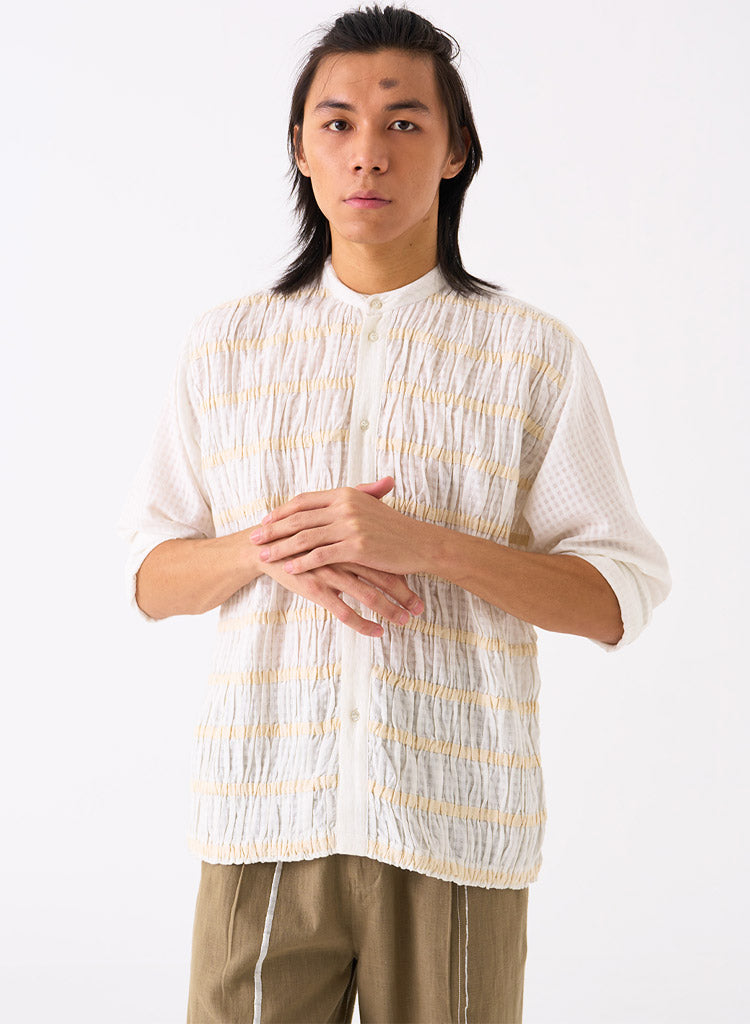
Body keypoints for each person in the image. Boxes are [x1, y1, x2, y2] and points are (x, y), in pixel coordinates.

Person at [117, 5, 671, 1023]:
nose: (368, 152)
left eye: (403, 122)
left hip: (454, 827)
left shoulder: (533, 356)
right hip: (262, 817)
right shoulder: (224, 347)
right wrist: (271, 547)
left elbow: (617, 597)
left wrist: (430, 546)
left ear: (455, 150)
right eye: (337, 123)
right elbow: (151, 577)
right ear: (301, 147)